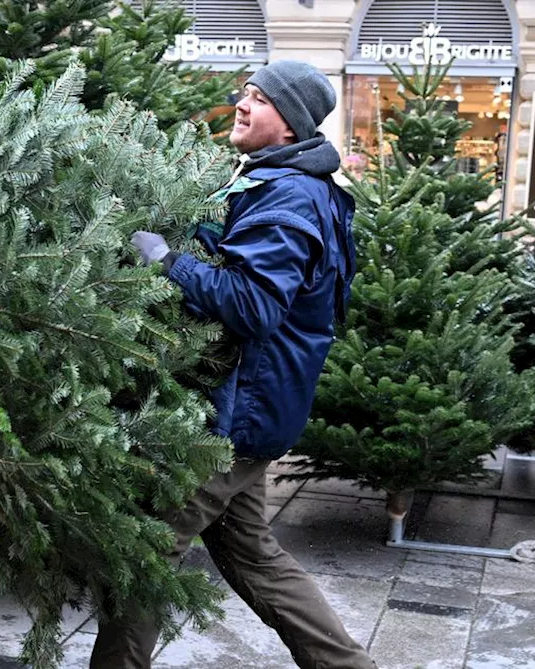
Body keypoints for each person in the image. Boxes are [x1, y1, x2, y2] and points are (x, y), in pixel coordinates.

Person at [95, 60, 371, 669]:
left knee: (146, 553)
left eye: (260, 99)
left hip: (235, 420)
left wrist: (168, 260)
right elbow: (252, 267)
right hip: (257, 407)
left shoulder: (291, 198)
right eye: (243, 93)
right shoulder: (287, 184)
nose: (242, 105)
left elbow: (253, 306)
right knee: (250, 550)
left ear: (291, 124)